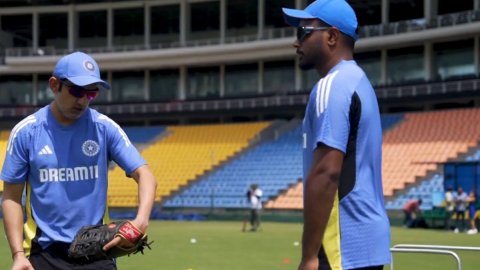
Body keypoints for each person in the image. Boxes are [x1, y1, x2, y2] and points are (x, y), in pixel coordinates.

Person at [1, 51, 157, 270]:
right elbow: (11, 198)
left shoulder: (105, 128)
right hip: (43, 253)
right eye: (76, 91)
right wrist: (18, 254)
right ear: (54, 85)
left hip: (97, 252)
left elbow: (146, 175)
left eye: (91, 93)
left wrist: (140, 222)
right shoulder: (26, 132)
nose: (83, 100)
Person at [282, 1, 391, 269]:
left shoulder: (332, 85)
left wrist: (309, 256)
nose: (297, 43)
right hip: (367, 244)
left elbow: (327, 172)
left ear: (331, 36)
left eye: (303, 32)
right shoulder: (359, 81)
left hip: (341, 246)